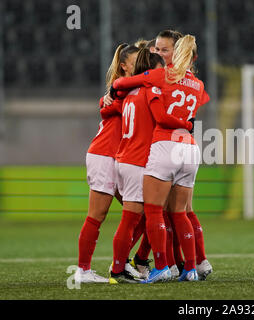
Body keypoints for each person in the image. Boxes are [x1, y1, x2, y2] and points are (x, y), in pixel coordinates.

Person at [112, 34, 210, 282]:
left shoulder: (160, 76)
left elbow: (126, 83)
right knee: (181, 212)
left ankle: (162, 265)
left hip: (165, 145)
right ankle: (190, 268)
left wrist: (115, 89)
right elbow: (197, 105)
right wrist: (187, 121)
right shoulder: (198, 84)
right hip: (189, 147)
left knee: (154, 211)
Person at [74, 43, 139, 283]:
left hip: (122, 158)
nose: (140, 66)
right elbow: (106, 105)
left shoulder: (130, 88)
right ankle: (82, 271)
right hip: (104, 155)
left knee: (139, 212)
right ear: (124, 66)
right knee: (97, 214)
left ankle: (121, 263)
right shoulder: (120, 89)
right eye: (135, 62)